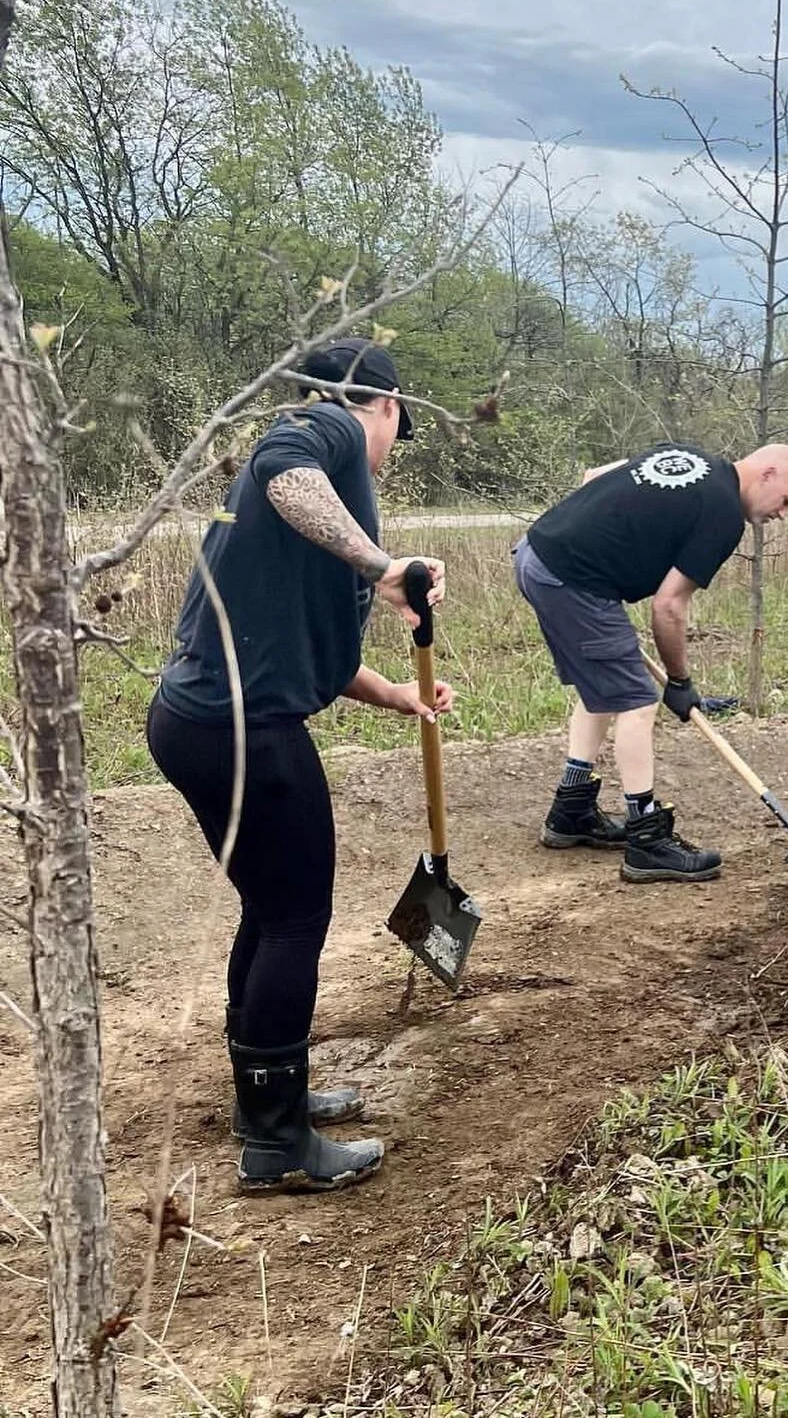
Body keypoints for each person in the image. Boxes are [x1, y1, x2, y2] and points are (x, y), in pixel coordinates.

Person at [146, 337, 454, 1195]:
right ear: (386, 406)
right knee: (294, 918)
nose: (387, 453)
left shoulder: (321, 515)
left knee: (272, 907)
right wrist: (381, 563)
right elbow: (286, 468)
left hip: (198, 719)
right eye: (395, 429)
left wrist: (395, 693)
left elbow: (310, 649)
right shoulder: (328, 430)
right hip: (244, 730)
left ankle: (266, 1099)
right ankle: (277, 1143)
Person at [514, 442, 788, 882]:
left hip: (537, 553)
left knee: (604, 689)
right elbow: (669, 607)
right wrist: (679, 681)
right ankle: (647, 840)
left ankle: (570, 812)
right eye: (786, 501)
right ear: (767, 474)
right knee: (637, 700)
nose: (782, 514)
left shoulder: (687, 456)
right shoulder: (723, 514)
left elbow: (596, 477)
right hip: (572, 579)